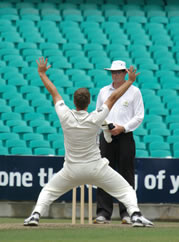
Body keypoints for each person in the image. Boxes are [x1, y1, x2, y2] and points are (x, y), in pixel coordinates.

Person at [24, 57, 153, 228]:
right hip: (95, 169)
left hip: (71, 170)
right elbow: (113, 97)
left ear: (74, 101)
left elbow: (54, 92)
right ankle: (135, 215)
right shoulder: (95, 117)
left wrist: (42, 73)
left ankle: (35, 215)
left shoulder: (64, 115)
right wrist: (129, 81)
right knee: (126, 189)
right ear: (89, 103)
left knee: (48, 191)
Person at [94, 60, 144, 225]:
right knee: (103, 174)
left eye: (118, 72)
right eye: (113, 72)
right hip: (106, 135)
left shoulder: (134, 91)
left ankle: (128, 212)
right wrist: (106, 128)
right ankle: (103, 213)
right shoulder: (103, 91)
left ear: (124, 73)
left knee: (126, 175)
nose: (115, 75)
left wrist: (123, 128)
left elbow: (139, 116)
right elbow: (97, 114)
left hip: (125, 136)